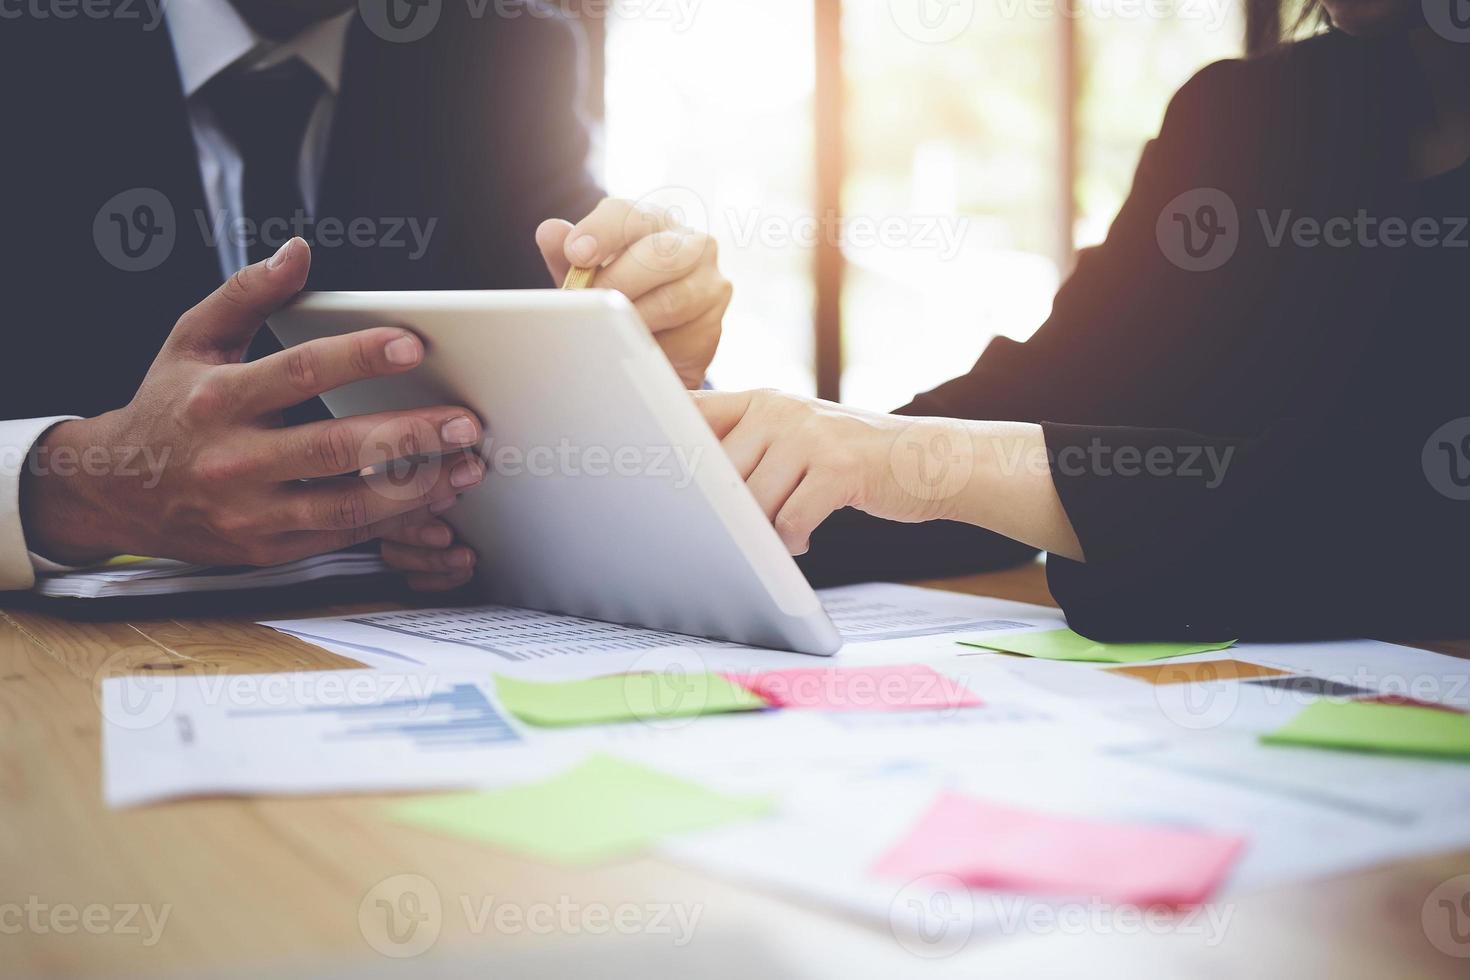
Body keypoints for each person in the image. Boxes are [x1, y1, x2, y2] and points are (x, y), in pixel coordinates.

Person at [704, 0, 1470, 641]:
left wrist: (924, 462)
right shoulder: (1246, 115)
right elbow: (1056, 393)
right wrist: (706, 466)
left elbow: (1387, 516)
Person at [0, 0, 729, 593]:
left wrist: (649, 380)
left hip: (409, 646)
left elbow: (579, 321)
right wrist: (74, 488)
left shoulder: (502, 48)